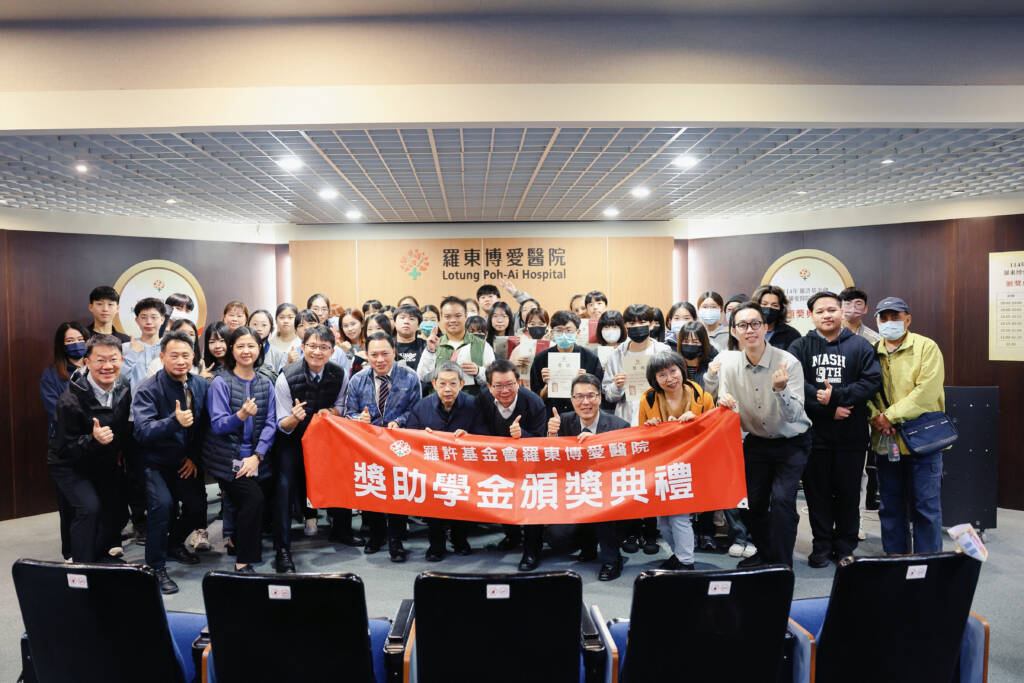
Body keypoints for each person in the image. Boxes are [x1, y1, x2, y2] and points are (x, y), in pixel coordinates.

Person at [788, 292, 881, 567]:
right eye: (820, 311)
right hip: (813, 436)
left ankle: (844, 547)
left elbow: (871, 382)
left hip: (851, 437)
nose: (826, 315)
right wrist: (827, 407)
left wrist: (838, 396)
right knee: (817, 495)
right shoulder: (800, 346)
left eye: (831, 309)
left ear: (841, 311)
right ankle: (821, 545)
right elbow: (795, 385)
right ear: (811, 316)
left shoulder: (861, 346)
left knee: (848, 494)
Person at [717, 303, 811, 568]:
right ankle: (766, 552)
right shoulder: (729, 366)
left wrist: (781, 390)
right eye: (743, 325)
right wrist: (722, 403)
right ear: (734, 332)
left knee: (782, 501)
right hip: (757, 441)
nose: (750, 330)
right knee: (749, 503)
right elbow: (726, 407)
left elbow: (795, 415)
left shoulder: (788, 363)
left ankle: (781, 564)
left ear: (766, 327)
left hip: (792, 441)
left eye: (755, 323)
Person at [866, 297, 947, 555]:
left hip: (924, 442)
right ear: (876, 321)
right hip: (886, 441)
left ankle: (928, 562)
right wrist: (875, 417)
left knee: (925, 507)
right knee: (890, 506)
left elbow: (927, 392)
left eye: (895, 317)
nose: (889, 322)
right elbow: (864, 391)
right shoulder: (870, 352)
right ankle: (896, 559)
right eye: (884, 317)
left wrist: (890, 416)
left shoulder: (926, 347)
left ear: (908, 320)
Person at [132, 330, 210, 593]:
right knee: (162, 507)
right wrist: (173, 422)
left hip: (184, 461)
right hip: (153, 462)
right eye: (174, 355)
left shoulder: (199, 384)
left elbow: (202, 427)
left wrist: (194, 457)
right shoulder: (148, 389)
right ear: (162, 357)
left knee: (197, 507)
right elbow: (143, 432)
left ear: (193, 357)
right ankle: (156, 567)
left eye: (186, 355)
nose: (180, 361)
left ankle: (173, 544)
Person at [273, 324, 354, 573]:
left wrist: (331, 411)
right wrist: (294, 418)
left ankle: (341, 531)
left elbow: (342, 406)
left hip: (325, 439)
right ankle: (282, 549)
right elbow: (281, 424)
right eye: (312, 346)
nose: (317, 352)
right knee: (284, 487)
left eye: (323, 347)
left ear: (332, 351)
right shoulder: (286, 376)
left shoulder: (340, 373)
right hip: (293, 440)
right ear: (302, 347)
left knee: (342, 472)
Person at [47, 334, 133, 564]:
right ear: (87, 362)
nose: (107, 366)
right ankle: (82, 566)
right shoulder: (70, 400)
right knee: (89, 509)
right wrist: (93, 440)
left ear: (122, 360)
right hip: (68, 464)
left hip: (101, 459)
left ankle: (99, 555)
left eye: (113, 359)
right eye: (100, 360)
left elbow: (122, 426)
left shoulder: (123, 386)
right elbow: (64, 448)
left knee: (118, 510)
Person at [202, 326, 278, 574]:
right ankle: (242, 562)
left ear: (259, 349)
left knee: (257, 499)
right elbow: (218, 425)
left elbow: (271, 423)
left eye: (251, 346)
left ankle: (236, 540)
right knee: (253, 499)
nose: (246, 351)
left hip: (256, 458)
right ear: (232, 350)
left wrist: (257, 456)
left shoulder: (266, 382)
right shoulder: (220, 382)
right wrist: (241, 415)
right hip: (228, 458)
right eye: (240, 346)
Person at [345, 333, 422, 561]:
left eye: (385, 353)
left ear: (394, 352)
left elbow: (416, 410)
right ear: (367, 355)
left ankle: (396, 540)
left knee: (398, 490)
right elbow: (349, 412)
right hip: (369, 444)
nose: (380, 359)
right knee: (373, 486)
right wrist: (358, 419)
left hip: (399, 444)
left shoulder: (410, 377)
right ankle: (376, 535)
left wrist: (399, 421)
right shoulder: (358, 380)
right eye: (374, 354)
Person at [546, 373, 629, 580]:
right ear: (572, 399)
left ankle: (612, 559)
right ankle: (588, 544)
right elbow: (551, 462)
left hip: (607, 493)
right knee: (557, 536)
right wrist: (551, 436)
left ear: (600, 397)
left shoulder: (619, 426)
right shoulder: (562, 422)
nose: (585, 402)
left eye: (591, 396)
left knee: (602, 508)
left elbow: (625, 467)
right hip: (574, 491)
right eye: (579, 397)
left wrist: (597, 446)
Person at [637, 352, 715, 571]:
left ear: (682, 369)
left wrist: (697, 422)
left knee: (679, 517)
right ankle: (679, 555)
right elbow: (641, 437)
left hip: (691, 466)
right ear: (654, 378)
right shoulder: (648, 399)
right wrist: (650, 427)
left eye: (673, 371)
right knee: (663, 521)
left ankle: (686, 563)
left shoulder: (703, 397)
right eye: (661, 374)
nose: (669, 378)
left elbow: (713, 431)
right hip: (661, 466)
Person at [406, 361, 487, 561]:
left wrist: (469, 437)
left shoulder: (474, 405)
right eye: (442, 384)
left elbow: (484, 436)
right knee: (433, 504)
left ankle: (460, 540)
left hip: (463, 469)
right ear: (434, 384)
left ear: (462, 384)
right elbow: (409, 438)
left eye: (453, 383)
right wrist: (422, 437)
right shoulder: (422, 406)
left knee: (462, 502)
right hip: (431, 470)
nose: (447, 389)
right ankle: (436, 545)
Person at [474, 359, 547, 569]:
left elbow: (541, 441)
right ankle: (512, 536)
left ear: (519, 382)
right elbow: (478, 428)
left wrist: (522, 435)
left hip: (529, 464)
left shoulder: (533, 402)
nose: (505, 390)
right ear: (489, 386)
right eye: (498, 386)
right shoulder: (483, 399)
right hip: (497, 459)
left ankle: (532, 550)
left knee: (530, 500)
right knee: (501, 496)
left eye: (510, 384)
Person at [41, 321, 91, 559]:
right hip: (66, 446)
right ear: (61, 346)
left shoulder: (97, 368)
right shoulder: (52, 375)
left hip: (94, 444)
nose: (76, 344)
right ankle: (70, 552)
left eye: (80, 339)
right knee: (70, 503)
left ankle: (98, 547)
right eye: (70, 341)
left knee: (95, 502)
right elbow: (56, 411)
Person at [838, 286, 883, 514]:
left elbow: (876, 379)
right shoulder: (828, 334)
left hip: (862, 409)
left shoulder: (875, 339)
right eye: (847, 303)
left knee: (860, 469)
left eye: (857, 304)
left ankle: (856, 519)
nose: (852, 308)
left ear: (865, 309)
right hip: (831, 408)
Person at [603, 304, 673, 426]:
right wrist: (617, 386)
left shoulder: (663, 351)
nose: (637, 326)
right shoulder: (616, 355)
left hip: (658, 416)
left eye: (642, 322)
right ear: (625, 326)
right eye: (632, 323)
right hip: (626, 419)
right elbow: (608, 395)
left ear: (652, 325)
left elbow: (674, 386)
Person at [530, 310, 603, 416]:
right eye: (559, 330)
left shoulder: (591, 358)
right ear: (552, 333)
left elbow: (599, 393)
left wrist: (586, 382)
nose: (564, 334)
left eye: (569, 330)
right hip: (551, 415)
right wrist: (547, 387)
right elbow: (535, 397)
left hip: (581, 415)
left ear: (578, 332)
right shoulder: (540, 359)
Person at [417, 296, 496, 395]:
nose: (453, 320)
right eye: (447, 316)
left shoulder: (482, 345)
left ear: (466, 316)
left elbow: (494, 378)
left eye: (458, 316)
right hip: (440, 400)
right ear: (441, 318)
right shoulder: (434, 344)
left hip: (472, 400)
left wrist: (479, 371)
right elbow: (423, 377)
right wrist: (430, 351)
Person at [121, 297, 166, 390]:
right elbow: (118, 380)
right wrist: (132, 354)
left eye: (154, 317)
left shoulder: (169, 347)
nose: (149, 322)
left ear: (162, 320)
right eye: (143, 317)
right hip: (136, 398)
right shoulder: (126, 347)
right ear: (137, 320)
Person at [752, 285, 800, 350]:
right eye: (764, 304)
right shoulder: (747, 331)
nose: (769, 307)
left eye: (774, 305)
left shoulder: (792, 334)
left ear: (781, 309)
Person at [247, 310, 287, 374]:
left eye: (264, 325)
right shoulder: (240, 350)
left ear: (271, 329)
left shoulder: (278, 355)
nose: (259, 328)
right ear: (247, 326)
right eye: (255, 324)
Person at [394, 304, 427, 370]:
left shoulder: (426, 346)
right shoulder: (388, 345)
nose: (406, 322)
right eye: (402, 318)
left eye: (411, 319)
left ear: (418, 325)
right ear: (395, 323)